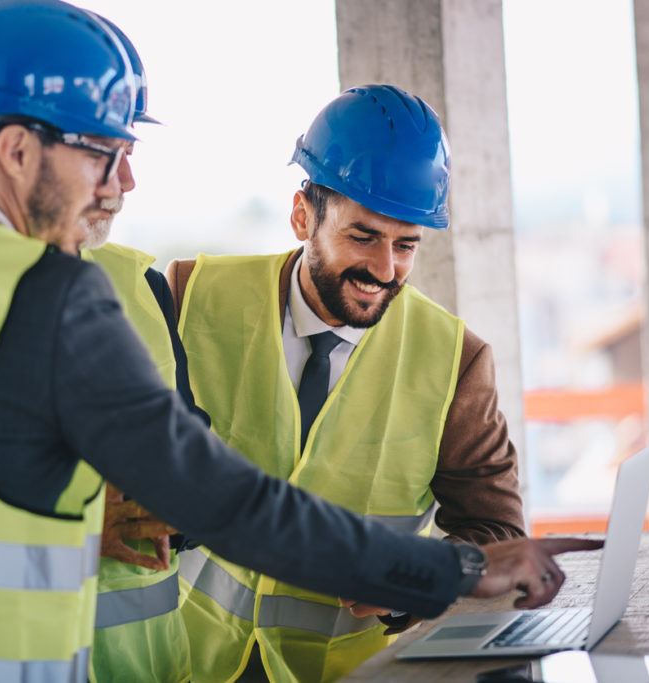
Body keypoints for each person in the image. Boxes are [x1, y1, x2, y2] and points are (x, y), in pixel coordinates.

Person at [0, 3, 601, 682]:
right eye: (105, 155)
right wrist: (456, 569)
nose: (122, 186)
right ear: (15, 149)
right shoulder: (52, 295)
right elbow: (226, 502)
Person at [166, 84, 525, 682]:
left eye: (405, 245)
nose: (385, 271)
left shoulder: (455, 361)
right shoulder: (186, 298)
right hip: (182, 661)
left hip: (341, 674)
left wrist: (415, 580)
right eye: (363, 237)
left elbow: (498, 534)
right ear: (303, 214)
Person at [76, 14, 200, 683]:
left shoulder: (140, 283)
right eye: (104, 153)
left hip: (155, 663)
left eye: (130, 153)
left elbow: (190, 448)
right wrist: (67, 535)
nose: (126, 183)